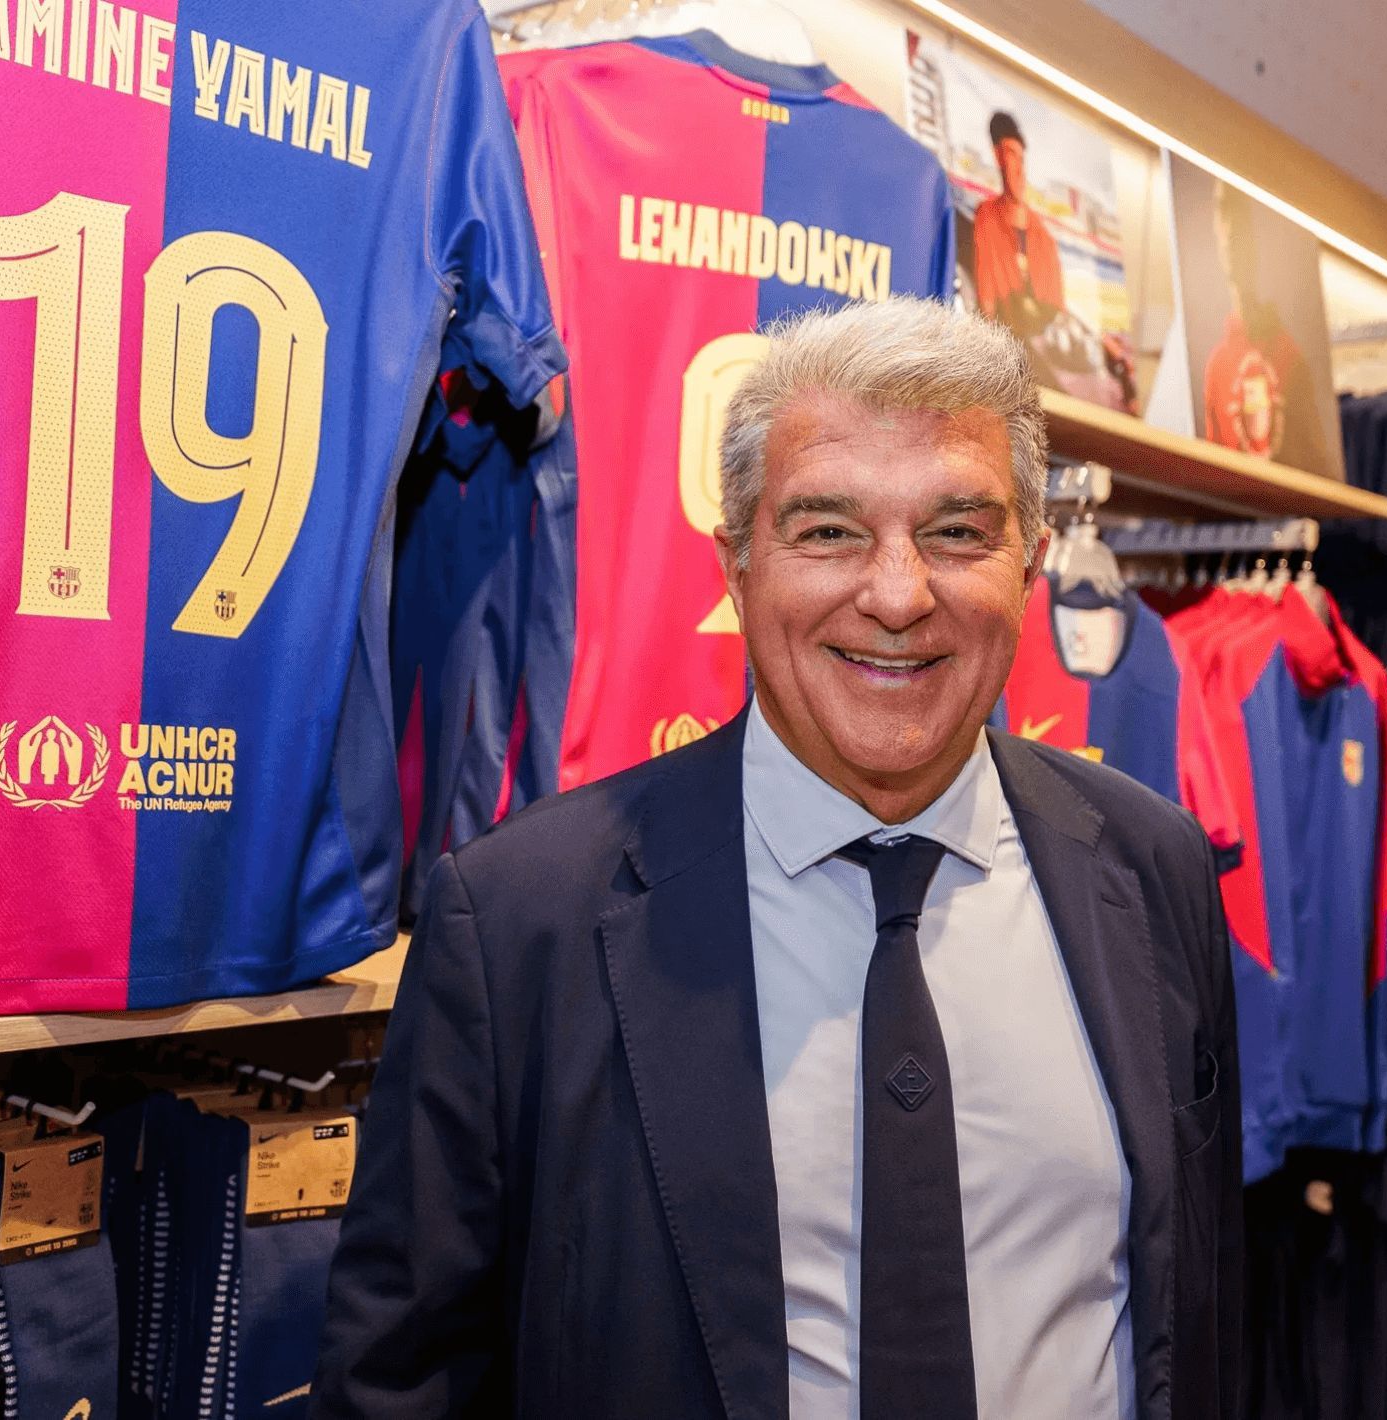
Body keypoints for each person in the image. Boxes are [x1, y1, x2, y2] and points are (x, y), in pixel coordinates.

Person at [312, 299, 1243, 1420]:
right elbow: (399, 1387)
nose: (898, 594)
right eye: (828, 530)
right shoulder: (519, 925)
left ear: (1031, 562)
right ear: (738, 567)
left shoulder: (1155, 869)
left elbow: (1203, 1314)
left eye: (958, 530)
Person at [1198, 178, 1308, 464]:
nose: (1232, 230)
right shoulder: (1217, 366)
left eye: (1240, 214)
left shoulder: (1289, 353)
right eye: (1223, 212)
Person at [970, 111, 1065, 335]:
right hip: (1009, 333)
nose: (1019, 170)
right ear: (998, 158)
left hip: (1039, 332)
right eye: (1011, 156)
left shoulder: (1044, 237)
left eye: (1021, 159)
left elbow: (1057, 304)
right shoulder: (987, 216)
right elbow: (987, 291)